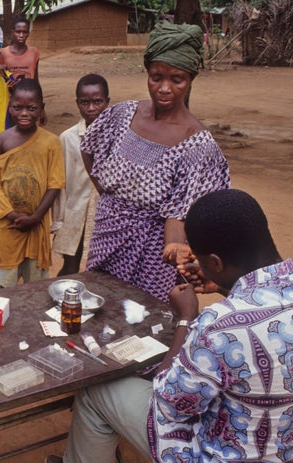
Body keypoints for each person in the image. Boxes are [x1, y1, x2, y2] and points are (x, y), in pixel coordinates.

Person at [45, 188, 293, 463]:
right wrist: (224, 285)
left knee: (95, 391)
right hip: (292, 454)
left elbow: (169, 404)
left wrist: (187, 318)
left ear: (215, 262)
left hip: (215, 458)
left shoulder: (219, 326)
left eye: (204, 262)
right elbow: (268, 314)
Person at [81, 21, 230, 302]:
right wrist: (107, 194)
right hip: (107, 232)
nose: (164, 88)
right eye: (156, 77)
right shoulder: (122, 115)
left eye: (176, 79)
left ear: (190, 79)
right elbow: (88, 147)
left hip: (152, 251)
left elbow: (178, 212)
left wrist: (173, 244)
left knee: (145, 324)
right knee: (99, 306)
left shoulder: (198, 145)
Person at [0, 79, 64, 288]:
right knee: (7, 285)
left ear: (41, 109)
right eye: (17, 107)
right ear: (9, 107)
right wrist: (11, 214)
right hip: (9, 225)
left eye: (31, 108)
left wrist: (36, 216)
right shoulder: (1, 141)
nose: (24, 113)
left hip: (36, 225)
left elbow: (55, 183)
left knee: (36, 285)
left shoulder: (51, 142)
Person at [51, 74, 110, 276]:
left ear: (107, 102)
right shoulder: (68, 138)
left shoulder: (119, 135)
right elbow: (62, 183)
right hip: (75, 215)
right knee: (70, 267)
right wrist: (58, 222)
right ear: (77, 103)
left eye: (97, 102)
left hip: (106, 216)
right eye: (85, 102)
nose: (91, 108)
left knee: (103, 268)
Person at [0, 17, 40, 83]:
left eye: (25, 32)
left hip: (29, 92)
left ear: (28, 33)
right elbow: (0, 77)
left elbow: (35, 78)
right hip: (8, 93)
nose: (21, 35)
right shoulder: (2, 53)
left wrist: (38, 92)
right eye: (18, 32)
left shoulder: (34, 52)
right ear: (12, 32)